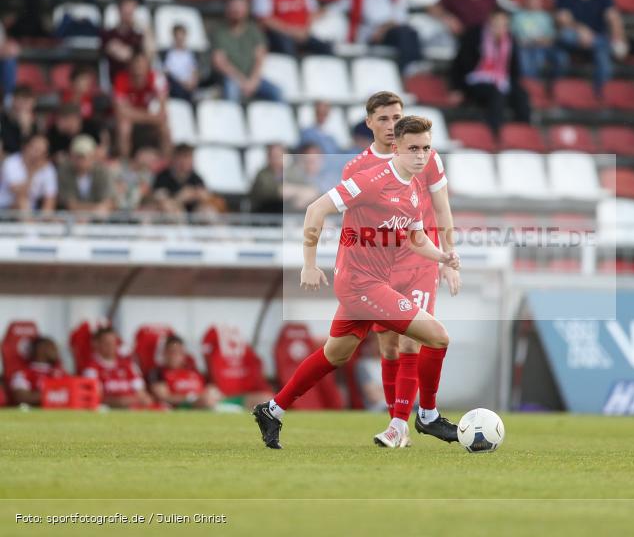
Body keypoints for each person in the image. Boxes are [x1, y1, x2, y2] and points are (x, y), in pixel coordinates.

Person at [252, 115, 460, 450]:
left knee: (335, 354)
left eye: (426, 148)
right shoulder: (372, 180)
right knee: (437, 337)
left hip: (372, 283)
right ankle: (428, 416)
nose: (421, 156)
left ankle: (271, 410)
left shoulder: (412, 188)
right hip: (360, 284)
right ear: (396, 147)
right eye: (413, 149)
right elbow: (315, 209)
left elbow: (415, 236)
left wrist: (442, 257)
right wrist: (309, 264)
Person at [338, 92, 459, 448]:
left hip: (421, 258)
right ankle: (400, 424)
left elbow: (442, 207)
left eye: (397, 118)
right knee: (388, 347)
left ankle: (401, 423)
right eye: (386, 119)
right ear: (371, 123)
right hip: (382, 264)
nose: (392, 126)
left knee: (412, 341)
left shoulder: (428, 157)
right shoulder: (359, 168)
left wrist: (449, 257)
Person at [331, 0, 423, 74]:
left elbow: (400, 18)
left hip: (388, 31)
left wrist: (383, 29)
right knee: (403, 33)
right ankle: (406, 68)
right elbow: (336, 7)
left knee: (411, 32)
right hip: (371, 34)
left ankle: (413, 65)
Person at [451, 8, 531, 135]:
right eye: (497, 24)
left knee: (522, 95)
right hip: (476, 81)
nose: (500, 28)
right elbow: (459, 64)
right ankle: (495, 134)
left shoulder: (510, 41)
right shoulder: (475, 36)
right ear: (490, 23)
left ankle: (523, 134)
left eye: (504, 25)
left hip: (501, 81)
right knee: (496, 94)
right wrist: (457, 88)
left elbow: (514, 70)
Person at [555, 0, 628, 93]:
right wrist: (581, 30)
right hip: (575, 38)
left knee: (603, 57)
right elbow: (563, 19)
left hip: (596, 39)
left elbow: (613, 18)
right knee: (566, 35)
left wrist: (619, 37)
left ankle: (600, 94)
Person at [212, 0, 283, 103]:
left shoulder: (254, 31)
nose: (236, 10)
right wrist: (242, 81)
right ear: (227, 9)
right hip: (231, 78)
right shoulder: (219, 33)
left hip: (252, 78)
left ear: (247, 9)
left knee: (277, 92)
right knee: (231, 90)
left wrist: (253, 81)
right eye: (233, 7)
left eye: (240, 7)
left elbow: (260, 58)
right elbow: (220, 62)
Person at [113, 53, 170, 158]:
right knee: (124, 128)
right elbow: (121, 111)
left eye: (142, 65)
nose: (138, 68)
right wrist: (149, 117)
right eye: (136, 65)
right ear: (130, 66)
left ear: (147, 66)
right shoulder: (121, 79)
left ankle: (166, 162)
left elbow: (163, 111)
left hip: (144, 116)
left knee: (165, 128)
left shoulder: (157, 78)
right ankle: (125, 162)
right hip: (140, 118)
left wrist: (139, 115)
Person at [83, 327, 154, 409]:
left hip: (132, 411)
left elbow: (142, 394)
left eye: (114, 342)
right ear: (96, 344)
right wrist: (119, 401)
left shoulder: (128, 364)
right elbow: (96, 397)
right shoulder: (91, 369)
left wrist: (130, 401)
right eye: (107, 343)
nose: (111, 346)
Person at [148, 335, 222, 410]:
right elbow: (164, 397)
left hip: (208, 403)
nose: (175, 355)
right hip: (181, 408)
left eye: (179, 352)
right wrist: (192, 399)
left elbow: (210, 388)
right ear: (165, 353)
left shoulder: (193, 371)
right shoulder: (158, 372)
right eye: (172, 351)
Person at [56, 135, 114, 214]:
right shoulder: (65, 171)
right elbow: (70, 205)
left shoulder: (102, 172)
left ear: (92, 156)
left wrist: (96, 210)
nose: (79, 160)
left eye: (83, 157)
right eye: (77, 156)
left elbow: (108, 203)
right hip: (72, 219)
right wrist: (96, 209)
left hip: (97, 221)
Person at [511, 0, 558, 79]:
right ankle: (528, 83)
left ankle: (536, 84)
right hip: (523, 48)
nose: (534, 2)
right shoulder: (518, 17)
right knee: (524, 55)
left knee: (539, 54)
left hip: (541, 48)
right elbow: (513, 35)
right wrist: (521, 41)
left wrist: (542, 41)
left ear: (541, 1)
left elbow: (551, 38)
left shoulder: (546, 17)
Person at [0, 134, 57, 214]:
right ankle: (31, 226)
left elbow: (50, 198)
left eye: (42, 152)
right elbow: (19, 193)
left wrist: (45, 218)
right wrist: (32, 172)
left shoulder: (48, 168)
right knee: (22, 201)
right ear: (25, 147)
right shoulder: (11, 162)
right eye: (36, 149)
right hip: (5, 209)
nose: (38, 154)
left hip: (31, 212)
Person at [101, 0, 151, 82]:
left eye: (131, 11)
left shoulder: (137, 35)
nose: (128, 14)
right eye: (126, 11)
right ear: (119, 11)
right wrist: (139, 57)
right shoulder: (108, 34)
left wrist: (143, 27)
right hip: (119, 81)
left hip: (138, 83)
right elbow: (122, 55)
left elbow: (150, 54)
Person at [152, 144, 213, 214]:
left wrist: (197, 195)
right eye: (183, 157)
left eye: (189, 157)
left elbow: (207, 197)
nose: (185, 161)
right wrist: (179, 198)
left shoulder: (196, 178)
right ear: (174, 159)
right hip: (171, 215)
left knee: (207, 212)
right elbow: (159, 199)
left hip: (193, 215)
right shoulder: (162, 177)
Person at [9, 336, 68, 406]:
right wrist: (58, 395)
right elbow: (21, 398)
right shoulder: (23, 374)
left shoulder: (61, 372)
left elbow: (75, 391)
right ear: (41, 348)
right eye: (52, 346)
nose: (56, 350)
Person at [163, 24, 199, 102]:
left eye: (182, 35)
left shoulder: (190, 54)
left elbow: (194, 71)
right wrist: (183, 83)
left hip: (188, 85)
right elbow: (168, 73)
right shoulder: (169, 54)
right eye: (178, 36)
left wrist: (193, 82)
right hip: (176, 85)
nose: (180, 38)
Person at [0, 84, 37, 154]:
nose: (23, 106)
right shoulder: (3, 119)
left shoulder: (35, 125)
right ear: (13, 100)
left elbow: (31, 152)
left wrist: (26, 130)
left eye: (26, 102)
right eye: (20, 101)